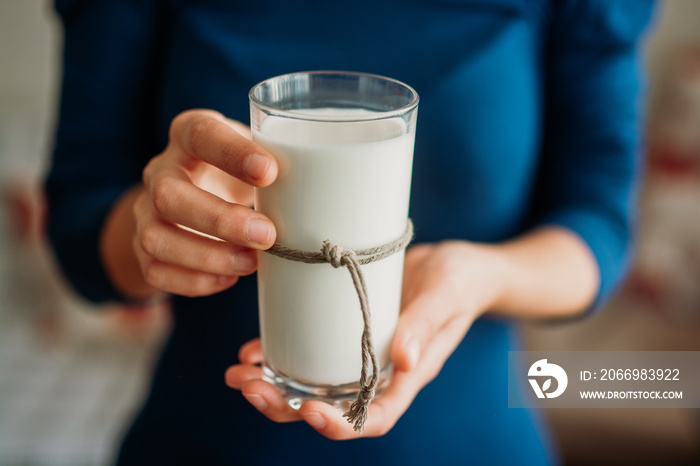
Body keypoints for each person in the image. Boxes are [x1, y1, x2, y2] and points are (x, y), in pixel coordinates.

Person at [45, 0, 656, 464]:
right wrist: (151, 224)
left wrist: (482, 276)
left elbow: (598, 223)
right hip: (205, 440)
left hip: (471, 442)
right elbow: (79, 225)